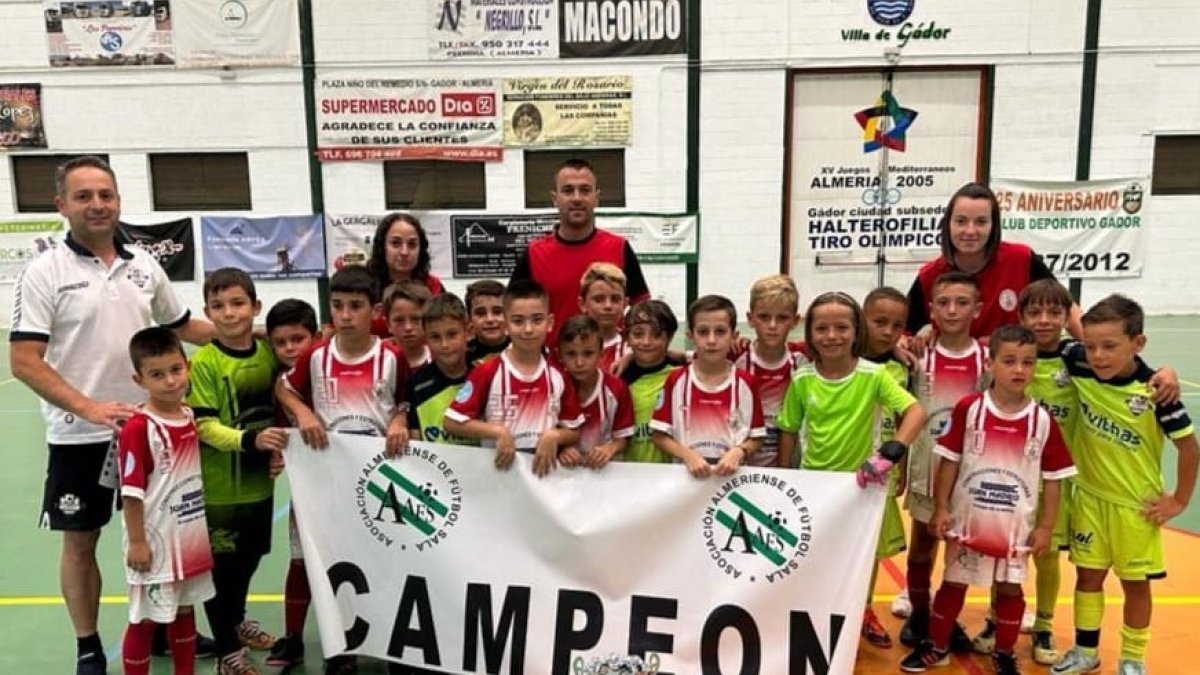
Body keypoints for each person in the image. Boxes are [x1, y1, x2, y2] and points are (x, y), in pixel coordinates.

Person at [9, 155, 213, 675]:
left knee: (163, 530)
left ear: (118, 200)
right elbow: (24, 360)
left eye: (106, 194)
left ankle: (164, 627)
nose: (97, 205)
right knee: (82, 543)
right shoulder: (44, 272)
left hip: (153, 433)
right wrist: (90, 408)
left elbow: (184, 326)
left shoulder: (144, 265)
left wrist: (253, 337)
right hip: (80, 436)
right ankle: (88, 646)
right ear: (62, 206)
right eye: (84, 196)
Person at [900, 325, 1076, 675]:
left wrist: (1045, 527)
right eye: (1009, 361)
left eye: (1028, 362)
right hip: (969, 520)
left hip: (1014, 527)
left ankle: (1005, 653)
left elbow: (1054, 480)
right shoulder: (970, 408)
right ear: (990, 364)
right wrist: (941, 507)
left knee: (1010, 589)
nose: (1019, 370)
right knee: (953, 582)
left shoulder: (1041, 420)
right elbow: (948, 459)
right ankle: (937, 645)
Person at [1052, 295, 1197, 675]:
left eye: (1110, 346)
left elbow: (1189, 447)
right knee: (1087, 577)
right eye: (1092, 345)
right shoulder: (1077, 362)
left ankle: (1132, 659)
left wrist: (1179, 500)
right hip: (1089, 499)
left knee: (1135, 584)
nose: (1098, 355)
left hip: (1137, 507)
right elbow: (1047, 335)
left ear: (1138, 343)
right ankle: (1086, 652)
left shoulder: (1156, 393)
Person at [276, 266, 410, 675]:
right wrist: (301, 412)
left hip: (379, 481)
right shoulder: (316, 356)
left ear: (376, 310)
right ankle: (322, 643)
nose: (346, 314)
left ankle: (388, 643)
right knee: (312, 560)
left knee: (380, 561)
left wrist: (400, 419)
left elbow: (405, 402)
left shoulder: (392, 357)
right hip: (324, 481)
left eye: (355, 306)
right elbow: (283, 388)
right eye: (338, 306)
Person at [187, 268, 290, 675]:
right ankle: (228, 651)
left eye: (237, 303)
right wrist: (252, 441)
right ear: (207, 312)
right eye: (218, 306)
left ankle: (236, 621)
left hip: (258, 488)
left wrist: (277, 451)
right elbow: (204, 426)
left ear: (255, 307)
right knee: (222, 572)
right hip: (219, 490)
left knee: (249, 560)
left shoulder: (268, 355)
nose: (229, 313)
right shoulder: (205, 363)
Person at [118, 327, 215, 675]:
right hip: (154, 542)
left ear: (186, 366)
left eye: (176, 370)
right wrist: (138, 542)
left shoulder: (189, 416)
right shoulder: (138, 427)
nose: (170, 381)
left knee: (185, 611)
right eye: (157, 375)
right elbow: (131, 492)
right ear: (139, 379)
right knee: (145, 619)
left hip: (187, 536)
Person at [900, 272, 989, 652]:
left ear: (978, 309)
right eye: (944, 302)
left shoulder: (988, 357)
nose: (952, 310)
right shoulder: (917, 354)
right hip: (927, 469)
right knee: (921, 547)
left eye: (962, 302)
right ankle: (920, 613)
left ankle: (945, 620)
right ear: (931, 309)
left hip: (970, 474)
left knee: (960, 553)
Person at [905, 182, 1081, 341]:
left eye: (981, 222)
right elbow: (902, 330)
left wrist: (1093, 346)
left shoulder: (1021, 259)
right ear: (947, 224)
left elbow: (1068, 308)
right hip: (954, 373)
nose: (970, 231)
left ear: (993, 225)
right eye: (961, 221)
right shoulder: (929, 276)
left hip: (1015, 371)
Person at [775, 292, 925, 477]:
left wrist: (891, 453)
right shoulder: (801, 379)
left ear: (856, 332)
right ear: (810, 335)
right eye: (821, 328)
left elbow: (915, 412)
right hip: (813, 483)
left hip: (862, 481)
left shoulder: (875, 376)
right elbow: (789, 430)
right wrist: (783, 474)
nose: (831, 335)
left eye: (842, 328)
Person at [444, 280, 583, 477]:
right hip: (498, 477)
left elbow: (574, 430)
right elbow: (452, 422)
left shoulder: (558, 374)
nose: (528, 329)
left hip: (545, 480)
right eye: (518, 321)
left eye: (537, 320)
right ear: (506, 325)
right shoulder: (487, 372)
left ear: (550, 323)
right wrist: (497, 432)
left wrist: (554, 436)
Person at [510, 158, 650, 346]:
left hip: (610, 367)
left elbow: (643, 312)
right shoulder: (534, 254)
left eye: (585, 190)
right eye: (568, 190)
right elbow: (512, 312)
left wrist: (631, 352)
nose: (577, 198)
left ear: (596, 197)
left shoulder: (619, 247)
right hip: (553, 366)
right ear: (555, 198)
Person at [261, 299, 319, 672]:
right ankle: (294, 636)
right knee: (301, 560)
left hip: (352, 485)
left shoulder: (329, 368)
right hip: (307, 491)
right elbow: (276, 431)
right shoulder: (278, 383)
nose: (290, 349)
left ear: (317, 336)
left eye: (298, 339)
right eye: (280, 343)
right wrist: (274, 454)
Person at [651, 295, 764, 476]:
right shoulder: (676, 380)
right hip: (684, 480)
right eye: (703, 332)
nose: (711, 340)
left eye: (720, 331)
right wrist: (688, 455)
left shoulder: (746, 383)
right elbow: (658, 436)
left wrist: (739, 451)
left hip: (730, 481)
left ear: (733, 336)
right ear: (691, 336)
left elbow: (756, 437)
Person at [859, 286, 912, 649]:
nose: (887, 331)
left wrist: (902, 466)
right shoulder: (837, 355)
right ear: (861, 319)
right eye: (879, 322)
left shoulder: (901, 367)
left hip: (879, 472)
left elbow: (903, 417)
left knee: (870, 548)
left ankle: (863, 608)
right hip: (834, 470)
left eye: (896, 326)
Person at [733, 274, 809, 468]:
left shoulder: (802, 359)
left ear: (795, 320)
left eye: (782, 318)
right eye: (764, 317)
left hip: (788, 461)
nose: (772, 326)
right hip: (742, 462)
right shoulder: (736, 357)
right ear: (750, 319)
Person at [557, 315, 635, 468]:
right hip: (564, 475)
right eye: (571, 354)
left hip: (604, 474)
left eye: (588, 353)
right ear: (560, 355)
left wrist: (609, 449)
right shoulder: (554, 387)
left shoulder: (617, 389)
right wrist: (562, 449)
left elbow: (623, 438)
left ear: (601, 353)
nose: (579, 362)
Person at [405, 292, 478, 446]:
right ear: (425, 338)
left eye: (452, 334)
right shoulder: (416, 384)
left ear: (469, 332)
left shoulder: (484, 377)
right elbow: (415, 440)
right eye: (435, 337)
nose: (445, 345)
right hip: (434, 469)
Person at [619, 300, 680, 463]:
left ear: (669, 337)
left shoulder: (683, 374)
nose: (646, 342)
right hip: (632, 474)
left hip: (678, 477)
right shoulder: (619, 380)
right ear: (627, 337)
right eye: (638, 334)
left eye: (656, 335)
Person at [366, 213, 444, 337]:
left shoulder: (434, 287)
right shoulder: (364, 287)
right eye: (396, 244)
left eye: (412, 244)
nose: (404, 252)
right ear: (382, 246)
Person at [578, 262, 631, 371]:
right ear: (582, 304)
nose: (608, 306)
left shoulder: (632, 349)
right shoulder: (567, 348)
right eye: (599, 299)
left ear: (625, 304)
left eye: (615, 299)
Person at [385, 281, 433, 369]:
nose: (408, 327)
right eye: (399, 320)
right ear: (388, 324)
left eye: (416, 319)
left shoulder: (439, 358)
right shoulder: (379, 359)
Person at [465, 279, 509, 365]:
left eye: (497, 312)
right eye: (480, 313)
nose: (490, 319)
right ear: (470, 318)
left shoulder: (521, 350)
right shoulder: (462, 357)